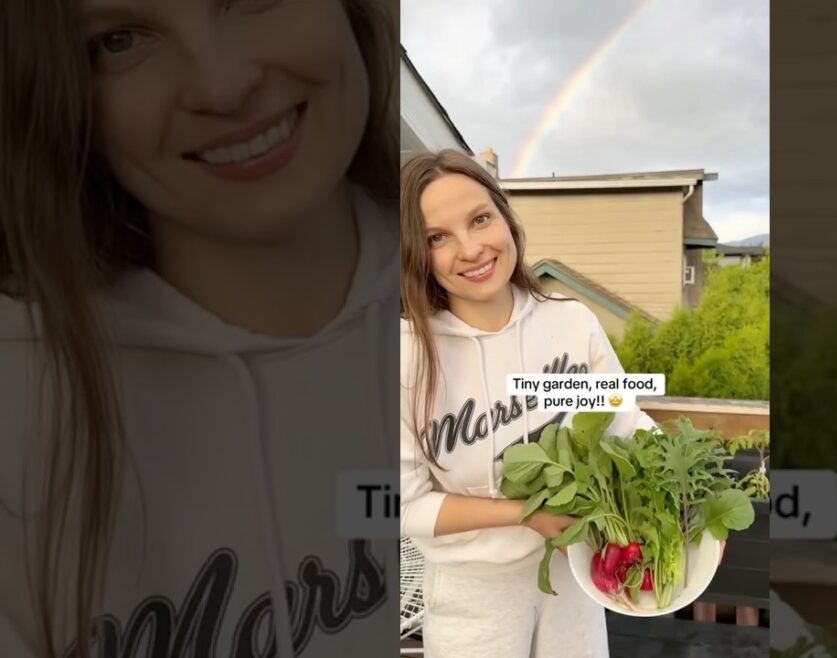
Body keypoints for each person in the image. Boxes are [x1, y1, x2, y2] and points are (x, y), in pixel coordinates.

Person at [0, 1, 397, 657]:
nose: (222, 85)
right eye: (120, 40)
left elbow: (600, 399)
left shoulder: (529, 330)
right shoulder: (22, 404)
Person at [398, 149, 660, 658]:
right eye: (437, 238)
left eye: (480, 219)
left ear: (505, 216)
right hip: (472, 593)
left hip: (572, 571)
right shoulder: (405, 354)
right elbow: (406, 506)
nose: (471, 248)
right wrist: (524, 513)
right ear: (416, 253)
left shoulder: (568, 323)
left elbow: (624, 423)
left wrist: (691, 496)